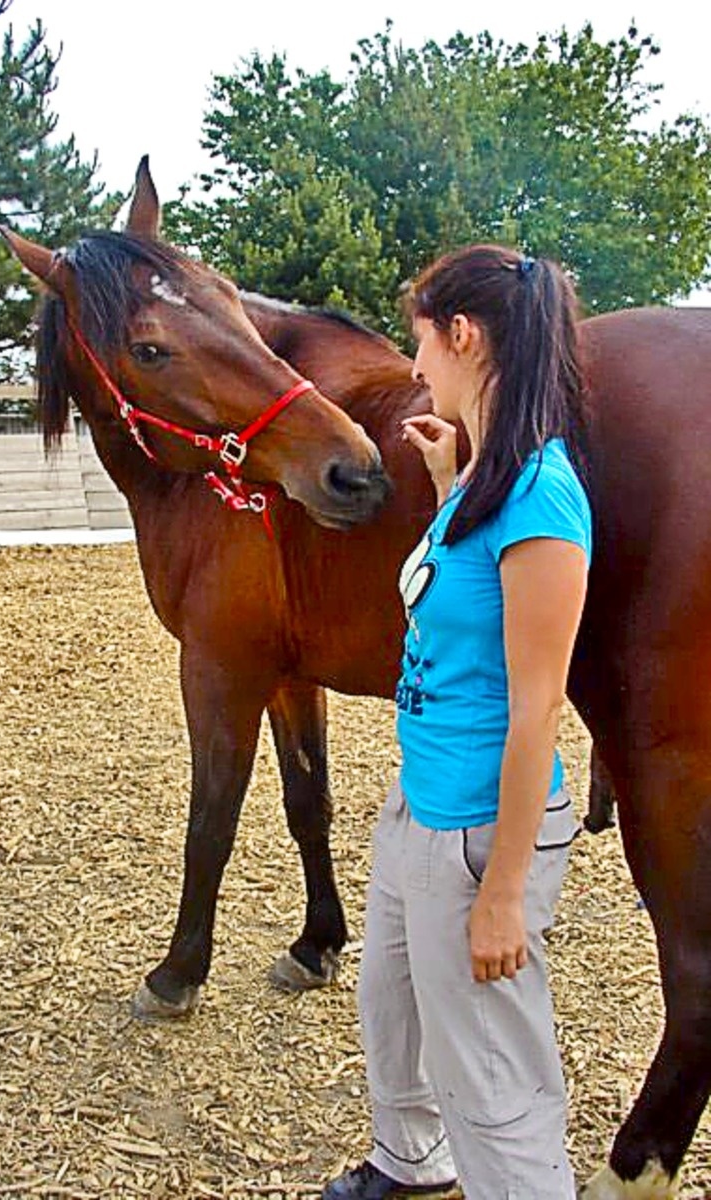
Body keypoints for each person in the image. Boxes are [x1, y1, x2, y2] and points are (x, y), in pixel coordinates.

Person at [323, 245, 592, 1200]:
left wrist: (506, 893)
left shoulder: (541, 500)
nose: (414, 365)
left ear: (464, 334)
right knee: (390, 1011)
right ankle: (411, 1166)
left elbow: (535, 715)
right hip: (419, 803)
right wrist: (443, 483)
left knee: (490, 1078)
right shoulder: (481, 484)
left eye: (422, 341)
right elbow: (457, 600)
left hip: (479, 829)